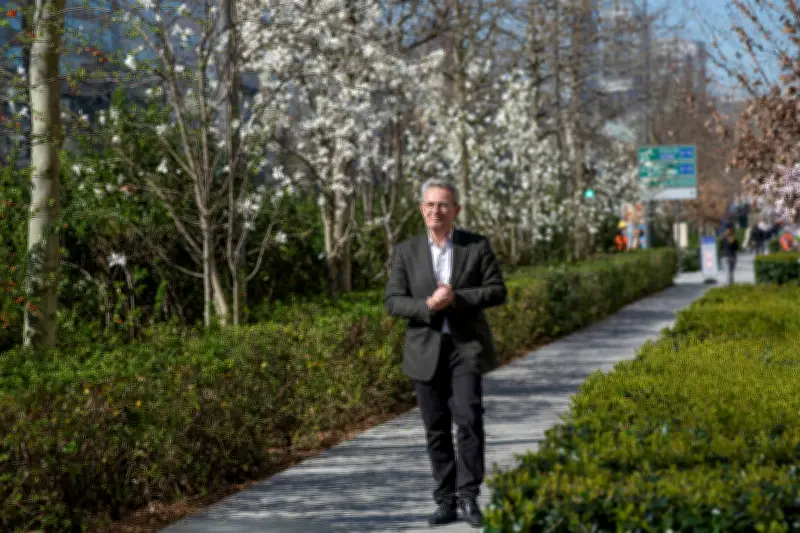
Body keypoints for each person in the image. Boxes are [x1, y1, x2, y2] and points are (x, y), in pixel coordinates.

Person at [384, 179, 507, 528]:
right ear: (421, 209)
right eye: (429, 204)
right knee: (435, 429)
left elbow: (497, 290)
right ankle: (445, 500)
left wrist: (458, 298)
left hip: (465, 348)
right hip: (424, 350)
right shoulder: (406, 251)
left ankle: (469, 497)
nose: (435, 210)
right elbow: (392, 301)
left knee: (469, 419)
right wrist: (426, 305)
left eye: (443, 204)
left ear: (456, 210)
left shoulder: (475, 246)